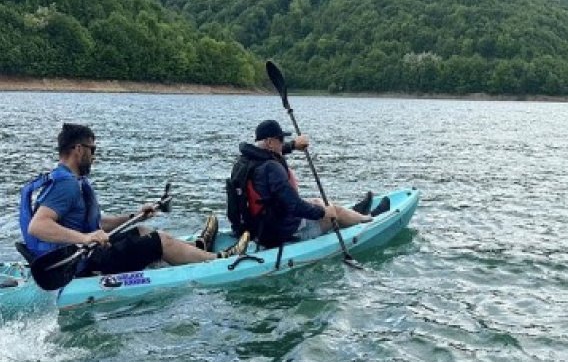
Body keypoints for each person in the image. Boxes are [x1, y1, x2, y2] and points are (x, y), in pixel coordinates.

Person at [23, 123, 249, 275]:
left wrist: (133, 216)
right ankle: (220, 259)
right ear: (78, 150)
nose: (94, 156)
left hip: (83, 252)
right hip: (80, 262)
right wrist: (85, 237)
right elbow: (38, 226)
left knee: (142, 231)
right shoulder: (66, 184)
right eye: (93, 149)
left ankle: (198, 247)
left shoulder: (65, 179)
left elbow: (96, 224)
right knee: (158, 241)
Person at [228, 119, 385, 248]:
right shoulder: (271, 168)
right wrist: (324, 213)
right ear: (269, 142)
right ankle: (369, 219)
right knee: (332, 211)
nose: (283, 144)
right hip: (280, 233)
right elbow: (295, 206)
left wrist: (293, 146)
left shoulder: (244, 161)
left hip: (256, 226)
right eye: (280, 140)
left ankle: (354, 214)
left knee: (318, 202)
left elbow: (271, 155)